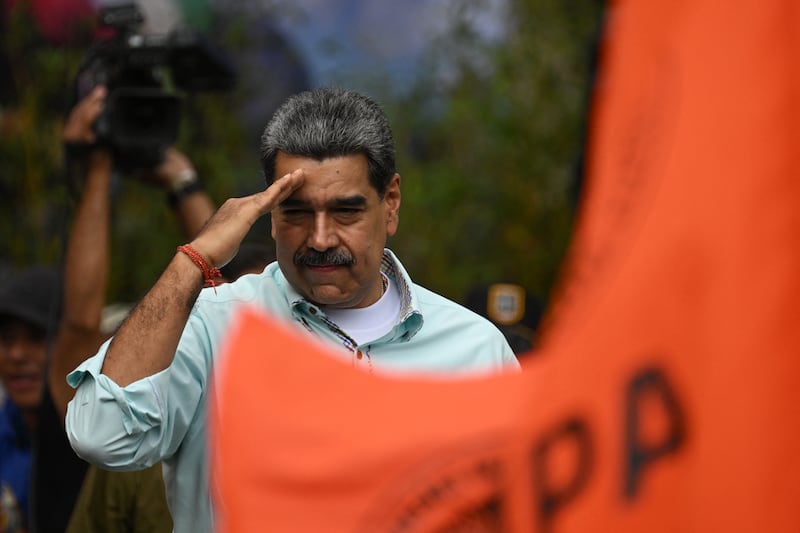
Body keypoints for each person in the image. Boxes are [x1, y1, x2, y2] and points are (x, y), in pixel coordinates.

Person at [65, 87, 521, 533]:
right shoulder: (213, 326)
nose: (319, 238)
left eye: (346, 212)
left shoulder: (475, 350)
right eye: (296, 213)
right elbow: (100, 433)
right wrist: (194, 258)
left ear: (392, 203)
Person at [5, 84, 214, 533]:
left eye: (34, 338)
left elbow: (232, 300)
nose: (17, 355)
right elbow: (80, 323)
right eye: (5, 340)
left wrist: (182, 183)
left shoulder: (185, 425)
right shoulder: (88, 418)